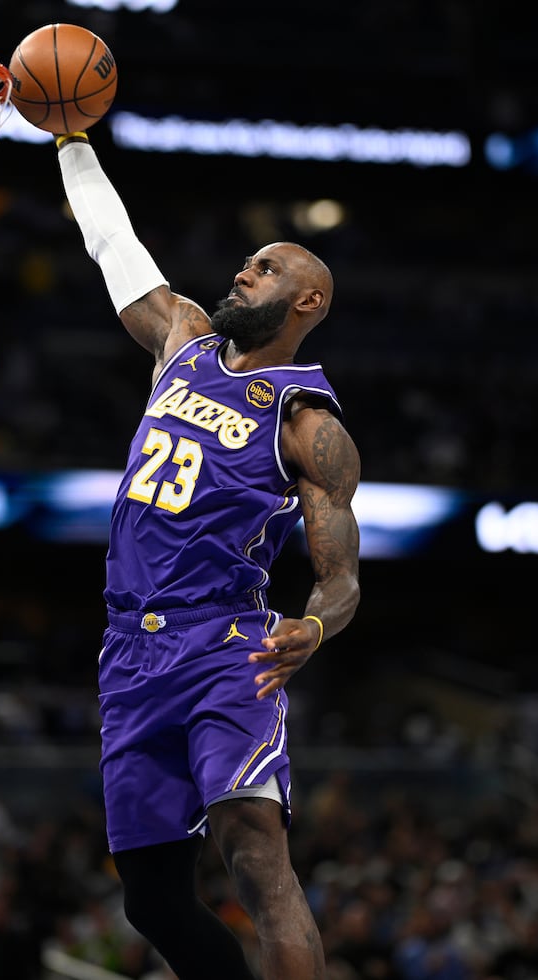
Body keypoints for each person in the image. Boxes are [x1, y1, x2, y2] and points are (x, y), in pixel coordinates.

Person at [53, 127, 362, 980]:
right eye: (247, 262)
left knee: (255, 857)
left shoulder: (308, 425)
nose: (241, 272)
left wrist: (312, 629)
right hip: (128, 651)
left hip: (226, 648)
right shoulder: (181, 343)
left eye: (265, 268)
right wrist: (72, 142)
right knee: (150, 899)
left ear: (307, 303)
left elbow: (341, 579)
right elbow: (114, 243)